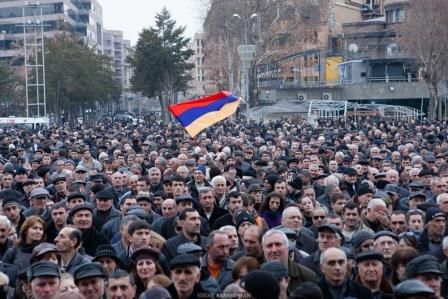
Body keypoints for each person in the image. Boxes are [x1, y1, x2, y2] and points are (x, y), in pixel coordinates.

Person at [262, 229, 317, 294]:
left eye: (278, 244)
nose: (274, 250)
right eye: (269, 246)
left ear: (287, 248)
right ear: (263, 250)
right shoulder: (255, 276)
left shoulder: (307, 276)